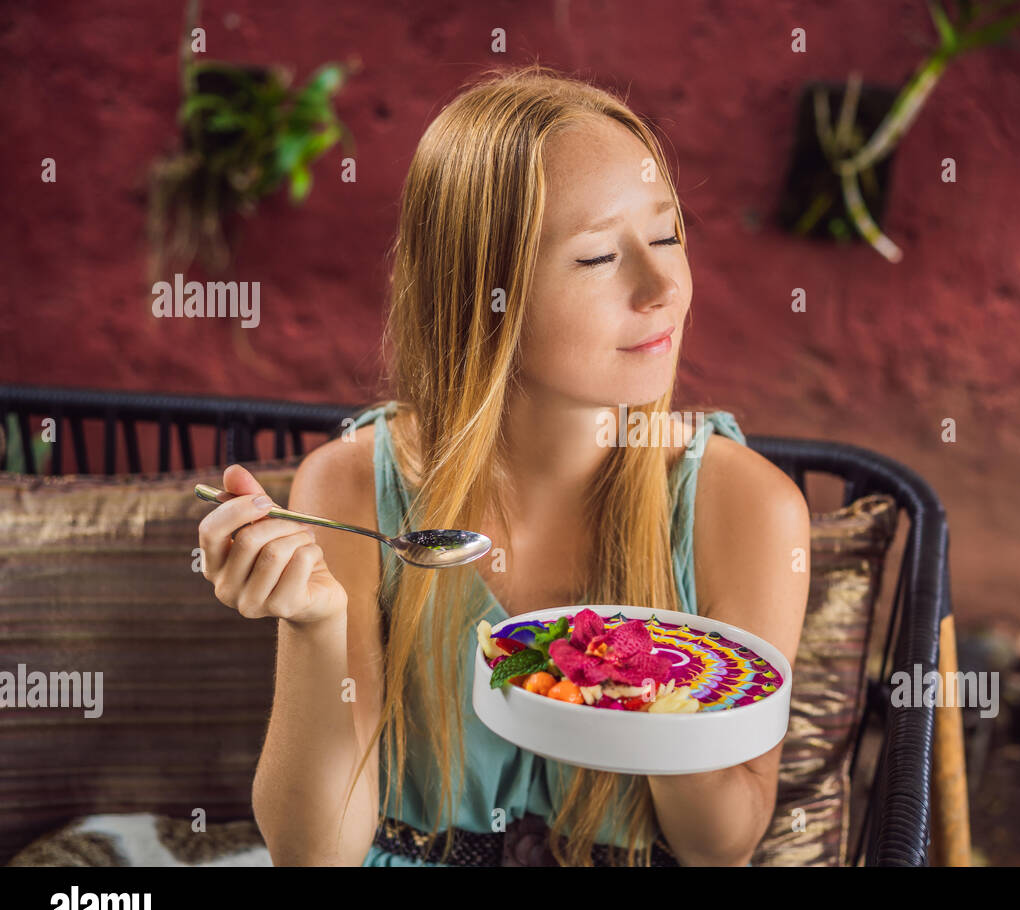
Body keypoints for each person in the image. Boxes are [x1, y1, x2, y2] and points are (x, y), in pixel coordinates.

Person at [196, 64, 810, 867]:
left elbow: (721, 844)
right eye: (598, 258)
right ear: (480, 291)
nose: (665, 286)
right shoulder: (351, 486)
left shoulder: (748, 508)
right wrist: (316, 628)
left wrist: (646, 685)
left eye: (666, 236)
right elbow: (317, 857)